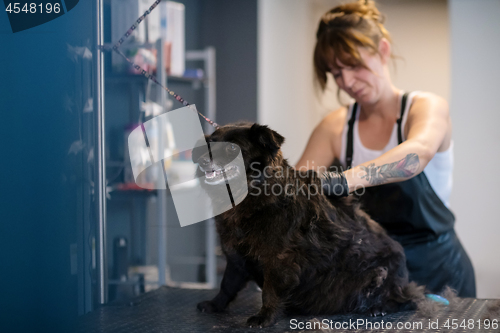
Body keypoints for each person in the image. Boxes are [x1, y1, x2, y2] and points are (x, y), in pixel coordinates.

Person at [295, 0, 476, 297]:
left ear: (383, 50)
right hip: (378, 272)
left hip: (441, 271)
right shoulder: (335, 127)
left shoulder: (425, 107)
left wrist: (342, 181)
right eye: (336, 73)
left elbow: (416, 153)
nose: (347, 82)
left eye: (353, 65)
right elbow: (296, 189)